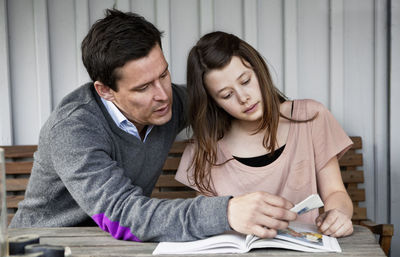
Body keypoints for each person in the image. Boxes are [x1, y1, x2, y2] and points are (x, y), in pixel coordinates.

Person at [10, 10, 297, 241]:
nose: (163, 94)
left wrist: (292, 117)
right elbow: (122, 216)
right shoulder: (73, 130)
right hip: (43, 247)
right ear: (105, 90)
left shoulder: (171, 102)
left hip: (115, 247)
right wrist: (227, 211)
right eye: (144, 87)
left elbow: (219, 96)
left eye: (163, 74)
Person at [175, 31, 354, 238]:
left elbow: (335, 193)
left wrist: (338, 216)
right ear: (213, 102)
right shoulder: (204, 148)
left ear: (259, 70)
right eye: (227, 95)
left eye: (245, 81)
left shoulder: (310, 117)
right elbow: (206, 220)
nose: (244, 98)